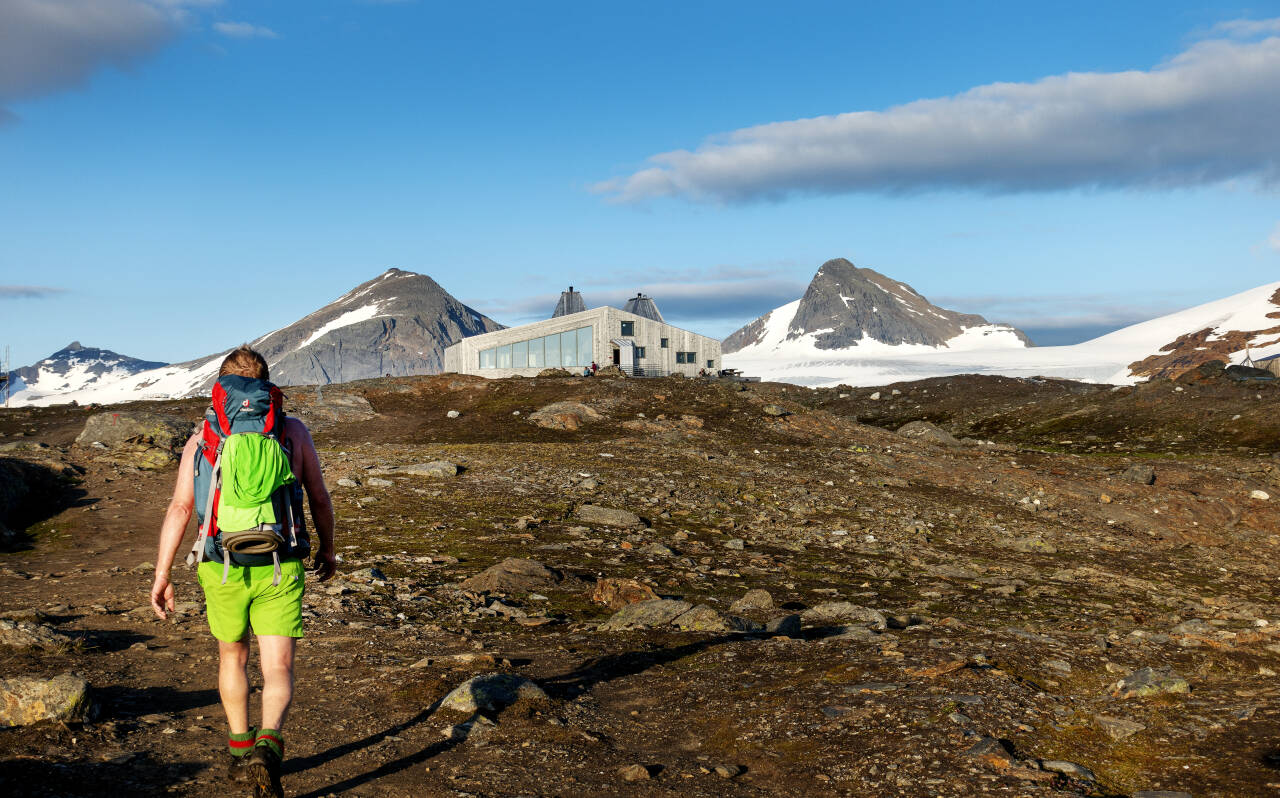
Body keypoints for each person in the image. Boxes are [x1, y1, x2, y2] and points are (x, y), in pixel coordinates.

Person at [150, 346, 336, 798]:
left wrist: (162, 574)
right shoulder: (291, 432)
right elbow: (318, 496)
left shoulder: (203, 439)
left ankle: (239, 751)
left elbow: (180, 506)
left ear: (221, 390)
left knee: (232, 658)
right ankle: (268, 747)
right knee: (279, 667)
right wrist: (328, 550)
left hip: (221, 564)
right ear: (266, 386)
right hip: (281, 561)